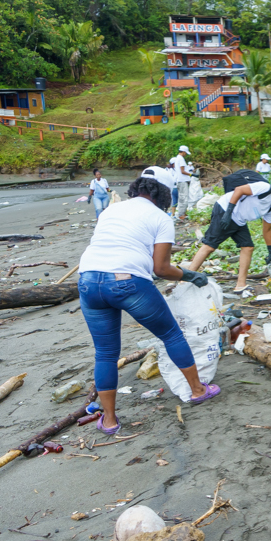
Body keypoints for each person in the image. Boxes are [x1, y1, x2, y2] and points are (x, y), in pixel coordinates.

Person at [77, 167, 220, 435]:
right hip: (127, 282)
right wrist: (189, 275)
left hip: (88, 281)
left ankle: (109, 420)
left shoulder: (111, 210)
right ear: (164, 193)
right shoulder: (161, 217)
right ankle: (198, 390)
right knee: (171, 335)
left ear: (137, 188)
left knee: (106, 353)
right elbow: (161, 269)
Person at [188, 174, 271, 292]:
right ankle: (186, 279)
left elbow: (267, 229)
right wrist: (228, 213)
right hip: (225, 209)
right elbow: (239, 190)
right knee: (209, 246)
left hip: (239, 220)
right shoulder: (265, 188)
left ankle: (240, 284)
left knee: (248, 247)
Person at [173, 145, 192, 219]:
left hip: (179, 180)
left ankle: (181, 213)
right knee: (184, 197)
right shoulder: (181, 159)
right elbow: (182, 171)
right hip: (182, 181)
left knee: (181, 198)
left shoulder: (177, 158)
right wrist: (191, 174)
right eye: (186, 153)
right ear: (183, 152)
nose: (186, 154)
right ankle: (181, 214)